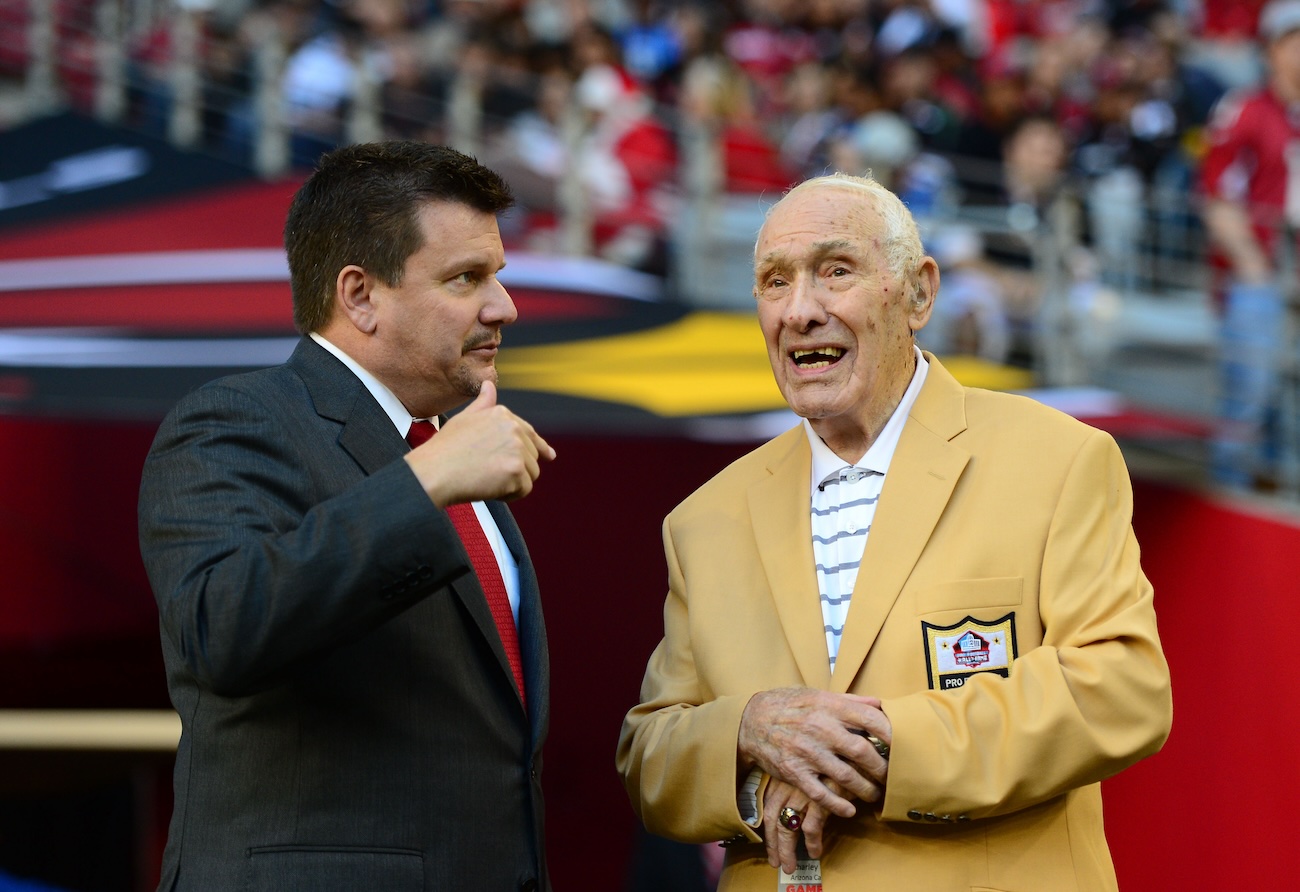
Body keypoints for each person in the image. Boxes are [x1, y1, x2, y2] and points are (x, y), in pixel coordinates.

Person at [617, 172, 1171, 891]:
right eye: (774, 282)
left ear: (919, 293)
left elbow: (1120, 690)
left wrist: (876, 754)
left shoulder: (1058, 458)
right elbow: (651, 756)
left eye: (835, 271)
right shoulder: (703, 519)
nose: (801, 310)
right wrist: (750, 736)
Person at [138, 141, 556, 891]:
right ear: (359, 295)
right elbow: (220, 628)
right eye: (467, 277)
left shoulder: (449, 452)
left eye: (498, 274)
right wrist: (425, 480)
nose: (505, 306)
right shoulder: (235, 420)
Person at [1199, 0, 1300, 490]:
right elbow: (1217, 193)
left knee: (1291, 404)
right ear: (1273, 48)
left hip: (1291, 274)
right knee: (1250, 395)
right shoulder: (1247, 109)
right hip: (1258, 275)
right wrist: (1252, 265)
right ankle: (1231, 498)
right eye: (1293, 39)